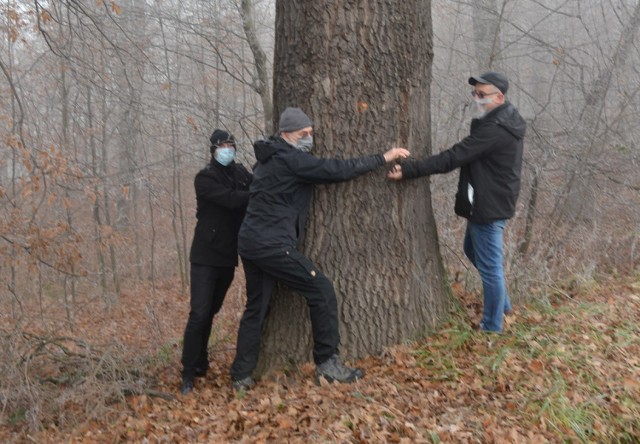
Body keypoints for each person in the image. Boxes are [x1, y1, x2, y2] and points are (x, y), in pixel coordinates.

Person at [230, 107, 410, 391]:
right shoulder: (291, 160)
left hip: (251, 242)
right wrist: (382, 158)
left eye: (311, 134)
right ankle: (327, 364)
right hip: (271, 245)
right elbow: (336, 170)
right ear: (286, 134)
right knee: (321, 290)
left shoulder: (266, 160)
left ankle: (240, 375)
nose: (309, 139)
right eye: (304, 134)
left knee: (257, 308)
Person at [388, 72, 526, 333]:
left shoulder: (495, 130)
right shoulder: (505, 120)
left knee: (490, 268)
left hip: (488, 205)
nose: (477, 99)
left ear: (500, 97)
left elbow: (454, 157)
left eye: (482, 95)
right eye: (475, 93)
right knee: (473, 251)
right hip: (494, 200)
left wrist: (410, 170)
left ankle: (491, 326)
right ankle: (503, 306)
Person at [180, 129, 253, 395]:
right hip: (204, 256)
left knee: (210, 311)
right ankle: (188, 372)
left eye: (231, 145)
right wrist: (256, 195)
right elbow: (230, 200)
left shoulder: (241, 173)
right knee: (198, 314)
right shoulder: (205, 178)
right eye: (223, 146)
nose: (228, 150)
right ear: (213, 149)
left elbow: (255, 185)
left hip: (227, 257)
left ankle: (201, 361)